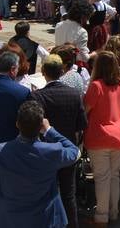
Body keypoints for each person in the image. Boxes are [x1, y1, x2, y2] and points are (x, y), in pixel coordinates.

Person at [0, 98, 80, 228]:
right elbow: (75, 152)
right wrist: (49, 130)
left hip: (9, 220)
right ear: (40, 126)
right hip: (45, 220)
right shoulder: (52, 151)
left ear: (17, 124)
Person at [30, 53, 87, 228]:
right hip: (66, 150)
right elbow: (81, 125)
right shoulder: (74, 95)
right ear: (62, 71)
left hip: (45, 153)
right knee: (68, 194)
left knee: (45, 193)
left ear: (43, 71)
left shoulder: (38, 96)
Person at [82, 49, 120, 227]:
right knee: (114, 176)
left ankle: (101, 216)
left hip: (100, 136)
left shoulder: (96, 86)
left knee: (102, 177)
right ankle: (113, 212)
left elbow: (85, 110)